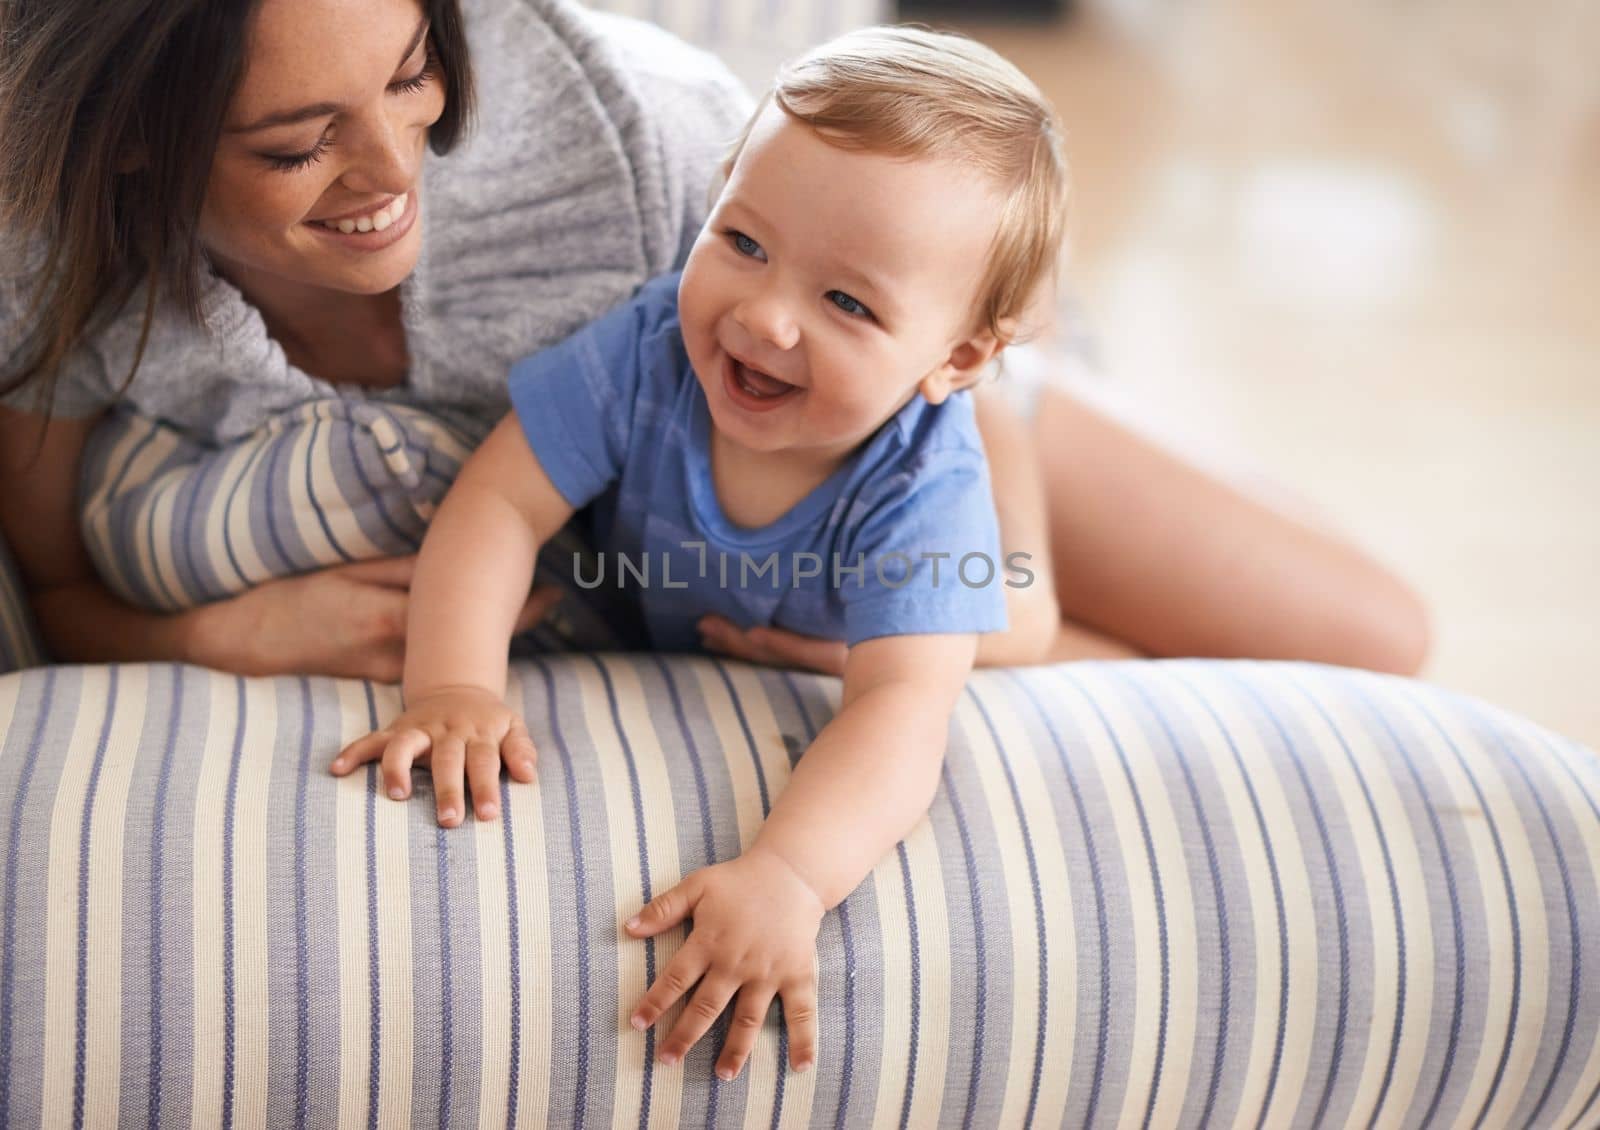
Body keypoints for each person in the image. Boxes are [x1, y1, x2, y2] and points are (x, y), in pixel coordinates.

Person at [0, 0, 1428, 690]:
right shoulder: (48, 257)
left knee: (1374, 638)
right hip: (719, 522)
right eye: (300, 145)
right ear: (129, 149)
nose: (395, 165)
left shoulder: (635, 137)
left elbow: (897, 271)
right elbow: (54, 587)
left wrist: (1009, 572)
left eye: (413, 75)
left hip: (909, 391)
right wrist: (215, 636)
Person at [331, 24, 1069, 1081]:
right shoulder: (650, 349)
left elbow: (902, 708)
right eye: (744, 242)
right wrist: (452, 683)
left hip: (887, 594)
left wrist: (790, 875)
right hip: (764, 601)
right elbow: (498, 501)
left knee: (1020, 631)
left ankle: (1023, 428)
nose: (763, 318)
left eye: (846, 301)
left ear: (951, 353)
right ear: (716, 198)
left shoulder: (918, 484)